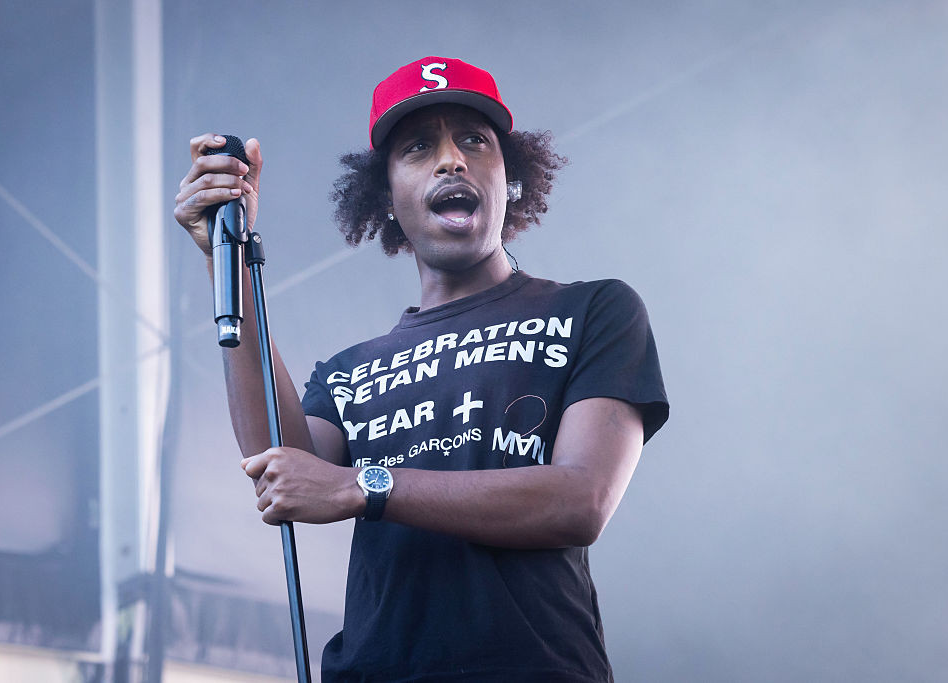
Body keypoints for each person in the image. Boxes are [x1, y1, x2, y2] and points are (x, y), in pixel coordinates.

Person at [174, 56, 669, 683]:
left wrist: (365, 486)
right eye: (418, 148)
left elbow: (582, 500)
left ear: (510, 177)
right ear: (386, 196)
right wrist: (230, 258)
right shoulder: (349, 372)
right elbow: (282, 472)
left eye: (474, 140)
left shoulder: (592, 310)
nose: (450, 160)